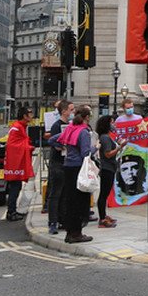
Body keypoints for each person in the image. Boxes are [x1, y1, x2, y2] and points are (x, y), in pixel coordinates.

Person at [50, 109, 94, 243]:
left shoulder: (70, 128)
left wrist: (63, 148)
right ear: (87, 117)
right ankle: (76, 233)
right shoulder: (84, 132)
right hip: (79, 168)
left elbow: (52, 140)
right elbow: (86, 153)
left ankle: (70, 232)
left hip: (68, 167)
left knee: (70, 201)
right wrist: (96, 147)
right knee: (80, 202)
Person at [45, 100, 74, 234]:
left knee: (64, 193)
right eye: (71, 109)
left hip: (66, 162)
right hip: (57, 163)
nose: (73, 112)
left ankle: (62, 219)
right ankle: (52, 222)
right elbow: (55, 144)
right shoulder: (57, 126)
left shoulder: (70, 125)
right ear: (64, 111)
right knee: (55, 193)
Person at [3, 107, 34, 222]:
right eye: (30, 114)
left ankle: (12, 210)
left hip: (16, 161)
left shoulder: (20, 127)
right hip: (15, 162)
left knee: (17, 186)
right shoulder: (17, 127)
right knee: (15, 187)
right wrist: (29, 147)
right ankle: (11, 212)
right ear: (24, 116)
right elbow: (13, 145)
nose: (31, 116)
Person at [95, 115, 126, 228]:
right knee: (104, 194)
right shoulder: (105, 138)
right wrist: (119, 147)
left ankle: (104, 215)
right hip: (107, 168)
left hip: (110, 167)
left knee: (105, 193)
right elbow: (108, 154)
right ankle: (102, 219)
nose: (114, 124)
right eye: (112, 122)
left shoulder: (106, 137)